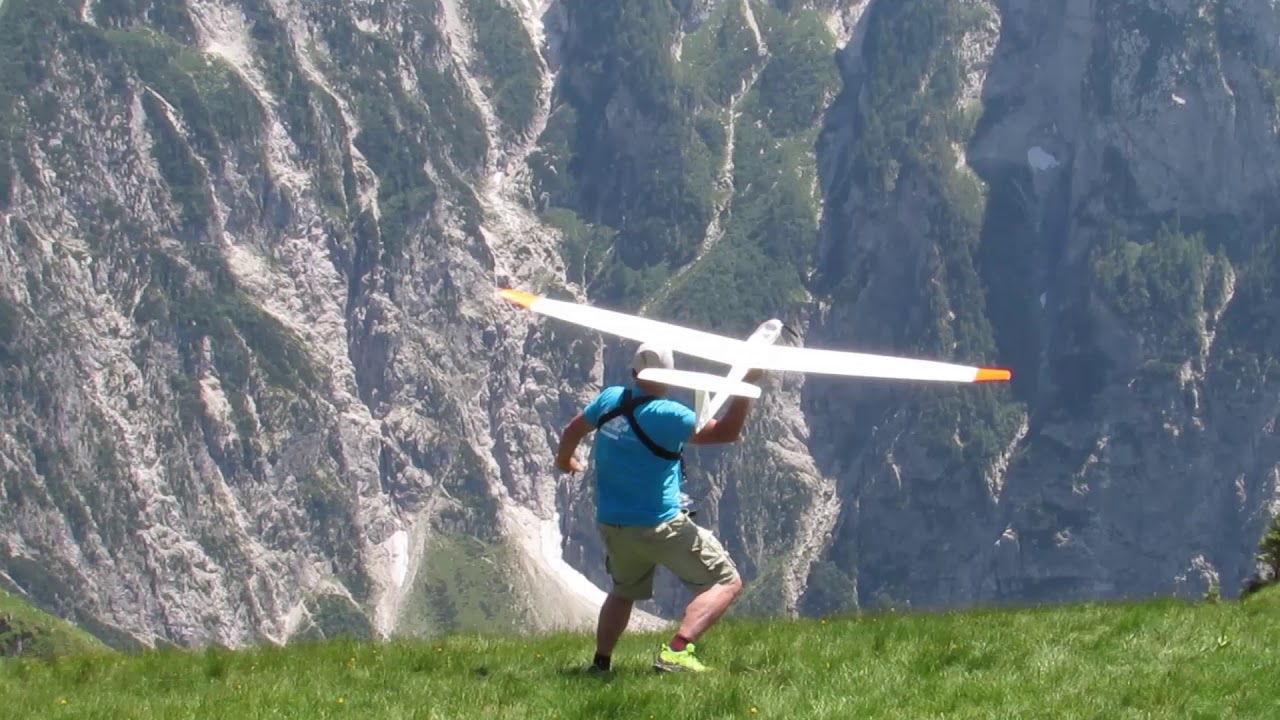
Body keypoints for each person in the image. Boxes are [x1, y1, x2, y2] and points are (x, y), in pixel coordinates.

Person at [553, 342, 765, 673]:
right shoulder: (670, 416)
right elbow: (727, 432)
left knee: (623, 592)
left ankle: (601, 663)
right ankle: (677, 651)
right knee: (726, 581)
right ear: (669, 375)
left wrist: (565, 459)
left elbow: (573, 428)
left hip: (613, 524)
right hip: (659, 524)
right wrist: (746, 386)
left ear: (634, 372)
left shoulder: (611, 399)